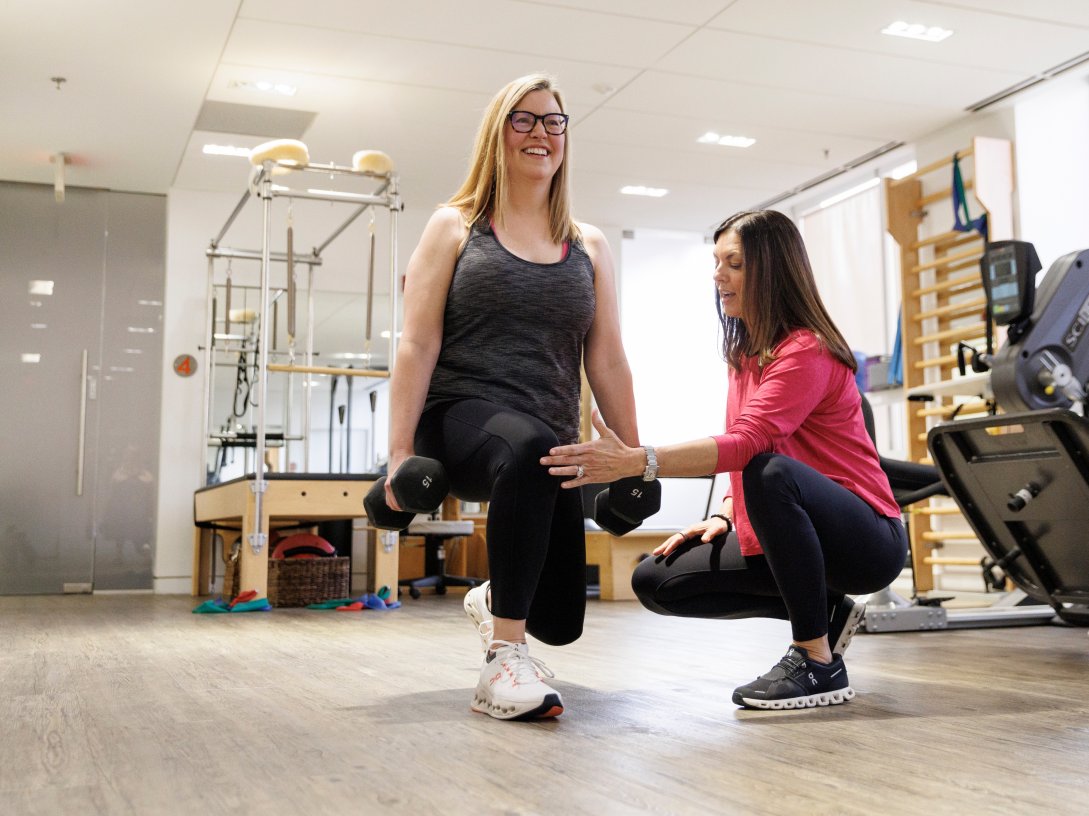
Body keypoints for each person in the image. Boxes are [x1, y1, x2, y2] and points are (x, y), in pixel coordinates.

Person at [541, 209, 908, 710]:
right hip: (799, 531)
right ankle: (827, 613)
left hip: (866, 541)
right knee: (657, 579)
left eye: (732, 263)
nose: (717, 276)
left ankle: (817, 662)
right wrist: (724, 512)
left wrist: (637, 461)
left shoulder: (807, 350)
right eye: (716, 263)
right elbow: (745, 448)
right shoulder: (745, 356)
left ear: (771, 269)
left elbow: (748, 444)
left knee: (769, 470)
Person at [384, 74, 640, 721]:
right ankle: (502, 660)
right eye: (522, 120)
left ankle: (496, 600)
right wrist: (395, 456)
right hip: (461, 419)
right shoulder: (456, 227)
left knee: (561, 618)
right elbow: (415, 346)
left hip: (548, 439)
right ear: (497, 133)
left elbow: (606, 356)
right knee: (524, 445)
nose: (539, 133)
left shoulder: (589, 245)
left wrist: (633, 458)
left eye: (553, 122)